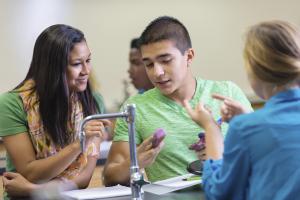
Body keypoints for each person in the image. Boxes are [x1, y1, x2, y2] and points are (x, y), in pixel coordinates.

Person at [103, 16, 252, 186]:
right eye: (149, 64)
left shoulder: (227, 92)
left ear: (189, 56)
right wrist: (135, 162)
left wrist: (219, 148)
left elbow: (262, 154)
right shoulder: (136, 108)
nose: (157, 72)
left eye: (166, 60)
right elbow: (110, 177)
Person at [184, 20, 300, 199]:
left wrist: (211, 129)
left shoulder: (247, 128)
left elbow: (221, 193)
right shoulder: (251, 126)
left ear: (255, 68)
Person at [0, 24, 110, 199]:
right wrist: (78, 144)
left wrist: (34, 190)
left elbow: (84, 179)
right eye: (76, 64)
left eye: (88, 60)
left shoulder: (94, 101)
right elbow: (31, 174)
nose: (86, 71)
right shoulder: (12, 104)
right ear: (52, 68)